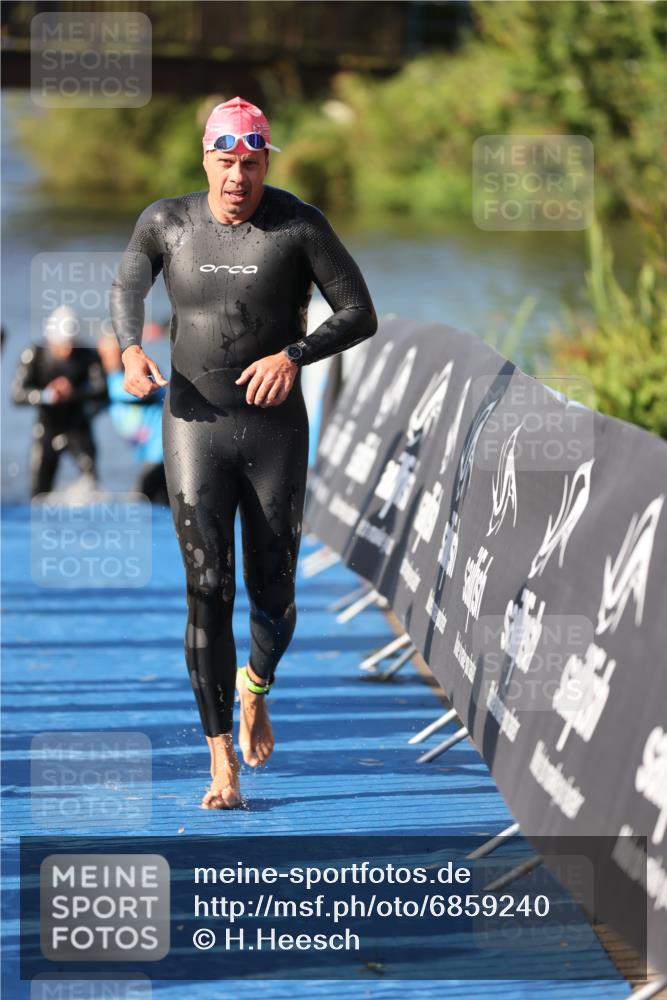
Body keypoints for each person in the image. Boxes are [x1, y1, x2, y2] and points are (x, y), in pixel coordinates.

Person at [110, 96, 377, 809]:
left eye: (251, 164)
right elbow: (127, 284)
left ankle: (255, 687)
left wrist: (294, 354)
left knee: (274, 596)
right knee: (206, 591)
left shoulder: (297, 224)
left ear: (265, 163)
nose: (238, 177)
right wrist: (132, 349)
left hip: (273, 431)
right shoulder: (167, 221)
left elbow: (359, 313)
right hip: (193, 425)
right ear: (206, 159)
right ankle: (219, 758)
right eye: (226, 162)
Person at [11, 305, 109, 498]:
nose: (67, 349)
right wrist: (46, 395)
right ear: (50, 338)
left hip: (78, 427)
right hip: (46, 429)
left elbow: (102, 391)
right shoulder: (34, 354)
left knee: (92, 486)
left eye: (71, 343)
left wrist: (74, 393)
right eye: (62, 344)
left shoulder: (87, 355)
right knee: (38, 494)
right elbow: (17, 395)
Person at [96, 326, 168, 504]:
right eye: (104, 354)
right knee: (162, 502)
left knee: (139, 497)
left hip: (161, 450)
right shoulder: (103, 383)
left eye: (113, 353)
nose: (108, 359)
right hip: (147, 454)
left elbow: (161, 390)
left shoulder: (136, 379)